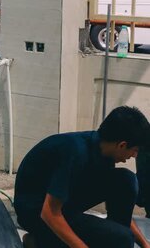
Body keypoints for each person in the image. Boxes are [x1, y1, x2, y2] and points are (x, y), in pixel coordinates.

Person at [14, 106, 150, 248]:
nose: (134, 156)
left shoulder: (104, 152)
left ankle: (112, 240)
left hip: (63, 204)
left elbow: (124, 211)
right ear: (122, 145)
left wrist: (145, 245)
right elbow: (49, 213)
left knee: (126, 181)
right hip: (35, 213)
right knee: (122, 239)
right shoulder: (75, 152)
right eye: (135, 151)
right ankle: (40, 242)